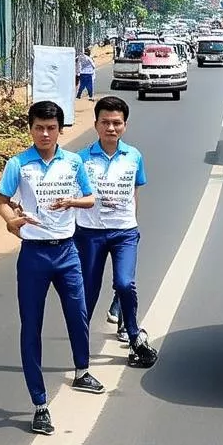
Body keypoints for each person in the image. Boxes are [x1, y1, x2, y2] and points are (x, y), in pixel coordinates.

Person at [0, 101, 105, 436]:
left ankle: (82, 370)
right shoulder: (18, 164)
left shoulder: (73, 162)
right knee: (32, 326)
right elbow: (1, 200)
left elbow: (90, 198)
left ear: (60, 129)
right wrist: (12, 221)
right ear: (30, 128)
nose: (45, 134)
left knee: (79, 312)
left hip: (68, 251)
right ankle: (39, 404)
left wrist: (71, 202)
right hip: (33, 256)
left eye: (51, 127)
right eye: (39, 127)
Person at [74, 96, 159, 369]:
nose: (111, 128)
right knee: (88, 290)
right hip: (89, 233)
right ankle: (80, 346)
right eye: (105, 122)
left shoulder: (134, 156)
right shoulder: (80, 159)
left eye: (117, 123)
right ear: (96, 124)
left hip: (124, 233)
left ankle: (134, 335)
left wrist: (131, 224)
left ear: (125, 125)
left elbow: (135, 191)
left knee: (124, 283)